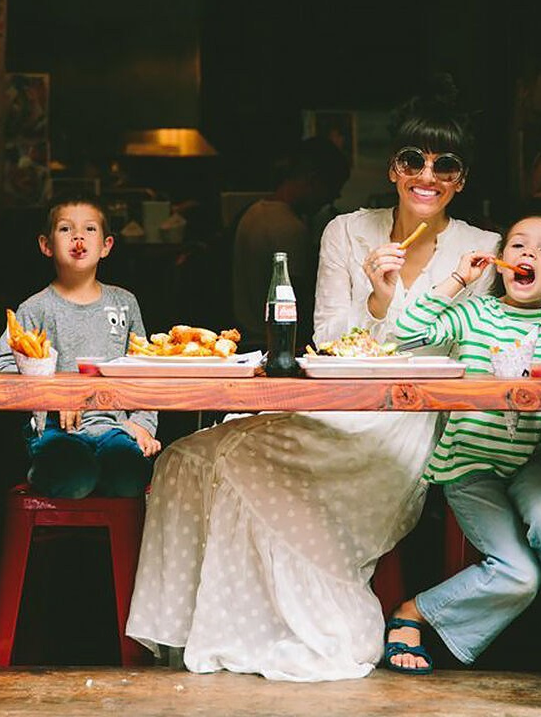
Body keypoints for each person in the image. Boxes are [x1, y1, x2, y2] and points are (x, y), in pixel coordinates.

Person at [125, 77, 499, 681]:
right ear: (393, 169)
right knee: (186, 458)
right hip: (334, 405)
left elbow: (462, 350)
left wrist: (394, 314)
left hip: (407, 426)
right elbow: (326, 340)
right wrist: (377, 302)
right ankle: (199, 630)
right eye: (413, 160)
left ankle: (287, 626)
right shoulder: (347, 232)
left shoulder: (480, 249)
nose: (427, 176)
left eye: (445, 165)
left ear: (461, 179)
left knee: (235, 460)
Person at [385, 213, 541, 681]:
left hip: (531, 463)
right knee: (520, 576)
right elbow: (406, 332)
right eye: (518, 246)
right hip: (470, 466)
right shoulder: (474, 314)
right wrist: (457, 279)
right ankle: (415, 611)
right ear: (500, 261)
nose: (529, 254)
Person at [0, 196, 160, 498]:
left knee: (128, 479)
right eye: (66, 229)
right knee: (75, 479)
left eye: (90, 229)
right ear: (46, 245)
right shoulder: (35, 308)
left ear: (107, 245)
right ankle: (46, 470)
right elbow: (1, 366)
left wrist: (143, 424)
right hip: (54, 430)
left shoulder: (125, 303)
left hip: (115, 429)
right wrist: (56, 396)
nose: (79, 237)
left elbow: (145, 369)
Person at [232, 136, 350, 350]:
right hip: (274, 343)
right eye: (332, 188)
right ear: (313, 180)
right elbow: (295, 301)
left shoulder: (253, 212)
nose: (333, 198)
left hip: (246, 335)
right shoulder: (290, 228)